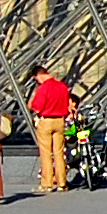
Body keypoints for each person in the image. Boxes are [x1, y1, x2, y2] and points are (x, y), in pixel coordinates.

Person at [28, 65, 73, 194]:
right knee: (59, 153)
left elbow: (37, 107)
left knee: (46, 153)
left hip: (46, 121)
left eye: (37, 79)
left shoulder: (43, 88)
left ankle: (47, 183)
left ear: (39, 75)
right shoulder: (62, 86)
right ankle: (62, 183)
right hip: (60, 121)